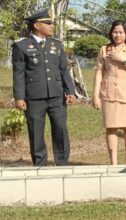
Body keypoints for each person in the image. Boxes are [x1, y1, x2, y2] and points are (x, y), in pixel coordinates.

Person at [11, 9, 77, 166]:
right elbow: (18, 73)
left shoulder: (57, 44)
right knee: (36, 132)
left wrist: (70, 91)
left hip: (56, 95)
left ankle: (62, 163)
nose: (52, 25)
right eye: (48, 23)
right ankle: (40, 165)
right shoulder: (22, 46)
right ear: (37, 25)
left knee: (61, 129)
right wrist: (19, 97)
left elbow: (64, 70)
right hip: (34, 97)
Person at [92, 20, 126, 165]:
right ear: (111, 33)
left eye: (121, 32)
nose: (118, 35)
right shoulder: (104, 49)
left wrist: (123, 60)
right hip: (108, 93)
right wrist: (95, 96)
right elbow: (99, 73)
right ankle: (113, 162)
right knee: (111, 127)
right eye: (115, 32)